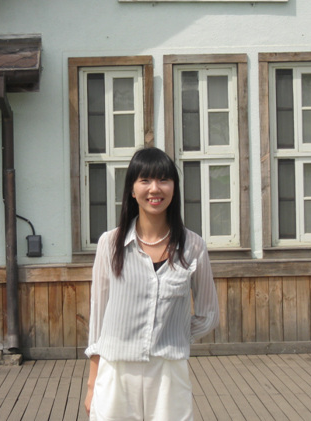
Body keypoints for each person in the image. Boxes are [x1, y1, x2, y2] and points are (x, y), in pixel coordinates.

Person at [84, 147, 219, 421]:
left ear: (174, 188)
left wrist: (173, 332)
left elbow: (208, 316)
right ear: (132, 190)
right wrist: (91, 385)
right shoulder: (110, 244)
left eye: (163, 180)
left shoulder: (193, 246)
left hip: (169, 372)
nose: (154, 189)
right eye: (145, 180)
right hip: (116, 371)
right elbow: (98, 319)